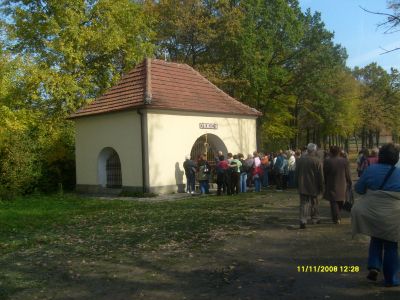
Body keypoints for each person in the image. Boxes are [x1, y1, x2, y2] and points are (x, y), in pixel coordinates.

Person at [352, 143, 400, 287]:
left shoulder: (371, 169)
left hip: (372, 211)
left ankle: (374, 266)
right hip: (393, 213)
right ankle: (391, 279)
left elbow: (359, 189)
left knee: (376, 238)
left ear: (381, 156)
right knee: (391, 244)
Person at [295, 143, 324, 229]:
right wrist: (322, 186)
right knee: (314, 202)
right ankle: (315, 218)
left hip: (302, 185)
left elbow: (296, 174)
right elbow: (320, 176)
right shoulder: (317, 161)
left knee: (304, 203)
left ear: (307, 150)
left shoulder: (300, 160)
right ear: (314, 150)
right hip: (314, 185)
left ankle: (303, 220)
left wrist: (296, 184)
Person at [323, 146, 352, 224]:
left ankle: (336, 218)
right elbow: (347, 173)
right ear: (339, 152)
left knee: (333, 202)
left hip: (331, 183)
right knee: (340, 200)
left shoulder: (327, 161)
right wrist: (349, 181)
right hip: (342, 183)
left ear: (331, 152)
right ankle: (337, 216)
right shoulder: (345, 161)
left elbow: (325, 173)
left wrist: (325, 182)